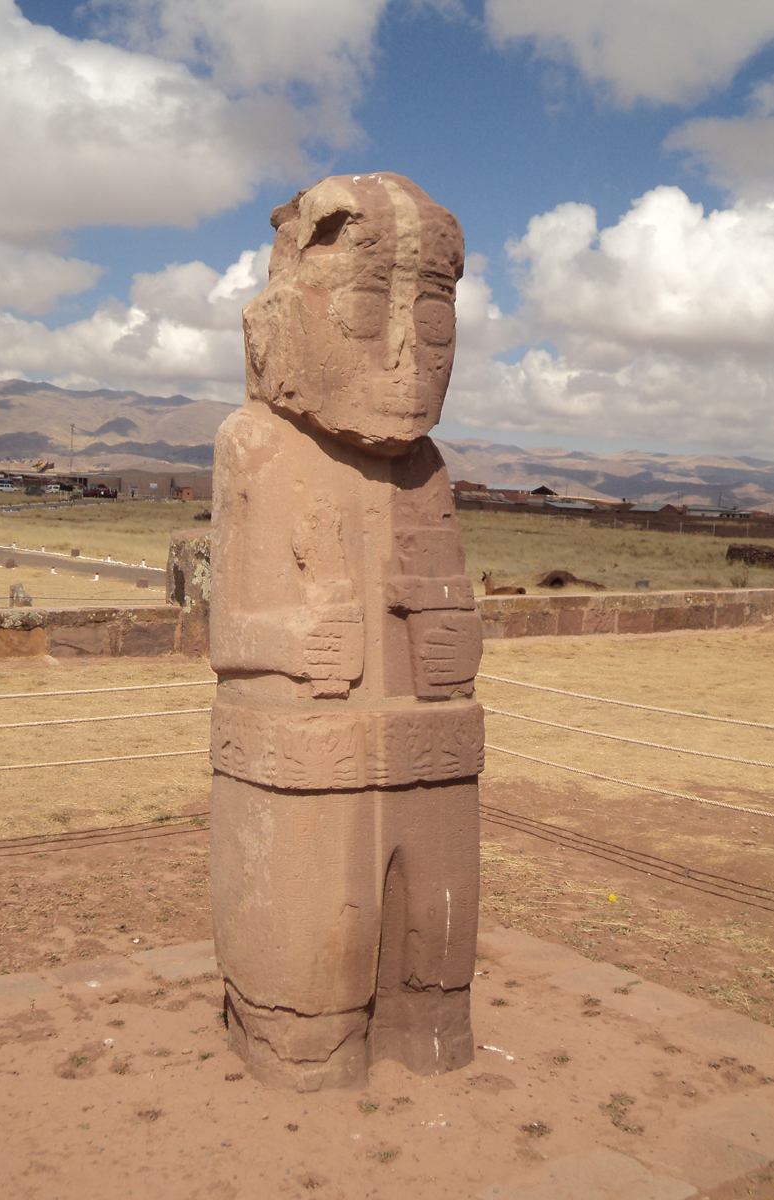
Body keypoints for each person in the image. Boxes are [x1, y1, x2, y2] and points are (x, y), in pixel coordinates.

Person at [209, 172, 484, 1090]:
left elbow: (446, 603)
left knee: (436, 942)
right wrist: (290, 644)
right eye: (368, 312)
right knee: (316, 956)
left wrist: (455, 639)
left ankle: (428, 1023)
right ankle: (301, 1041)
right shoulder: (257, 446)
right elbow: (227, 636)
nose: (406, 351)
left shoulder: (427, 470)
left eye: (434, 318)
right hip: (306, 755)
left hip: (429, 750)